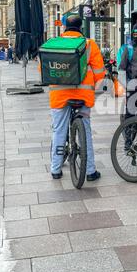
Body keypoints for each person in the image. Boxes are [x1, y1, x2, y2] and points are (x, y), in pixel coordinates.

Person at [49, 15, 106, 180]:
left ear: (65, 27)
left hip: (59, 95)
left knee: (59, 131)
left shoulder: (54, 43)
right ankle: (90, 171)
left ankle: (55, 169)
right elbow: (100, 72)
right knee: (86, 132)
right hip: (83, 95)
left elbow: (43, 69)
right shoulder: (89, 45)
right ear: (81, 28)